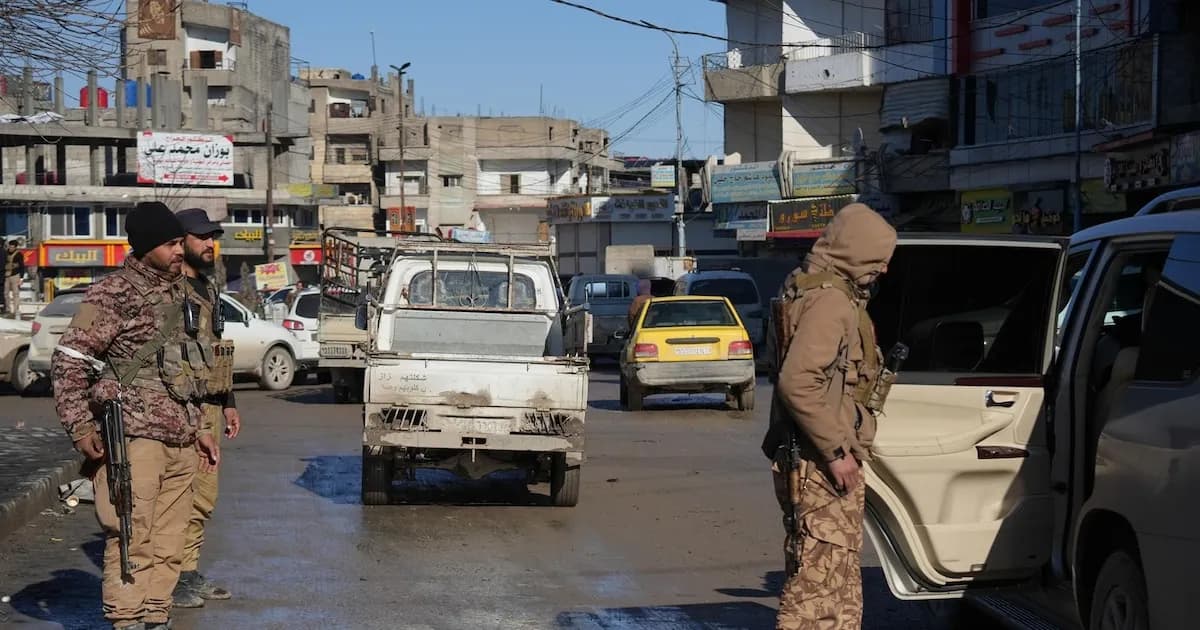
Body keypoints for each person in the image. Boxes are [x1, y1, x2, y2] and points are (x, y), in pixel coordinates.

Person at [52, 201, 219, 630]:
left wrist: (201, 427)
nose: (180, 250)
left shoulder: (184, 292)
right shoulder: (114, 293)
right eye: (170, 244)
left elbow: (190, 368)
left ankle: (156, 616)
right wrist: (80, 426)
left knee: (170, 543)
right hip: (134, 439)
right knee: (131, 537)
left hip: (181, 440)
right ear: (146, 246)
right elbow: (70, 360)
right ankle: (126, 620)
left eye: (181, 242)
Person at [762, 203, 897, 630]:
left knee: (837, 584)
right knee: (815, 598)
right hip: (818, 464)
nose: (883, 272)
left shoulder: (813, 290)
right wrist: (837, 451)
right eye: (878, 261)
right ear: (856, 254)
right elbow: (797, 382)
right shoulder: (830, 303)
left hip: (815, 459)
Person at [171, 208, 241, 608]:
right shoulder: (173, 291)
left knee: (204, 496)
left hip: (211, 406)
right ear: (181, 243)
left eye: (213, 237)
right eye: (202, 237)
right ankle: (174, 575)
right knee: (183, 495)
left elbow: (216, 353)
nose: (210, 244)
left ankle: (188, 569)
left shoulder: (207, 289)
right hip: (185, 409)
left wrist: (228, 402)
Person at [5, 239, 26, 316]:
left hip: (15, 275)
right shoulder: (5, 253)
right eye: (10, 246)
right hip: (6, 275)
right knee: (5, 293)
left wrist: (21, 278)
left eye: (12, 247)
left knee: (15, 294)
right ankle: (7, 309)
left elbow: (22, 266)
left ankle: (16, 310)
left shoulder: (19, 254)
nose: (11, 248)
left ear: (15, 247)